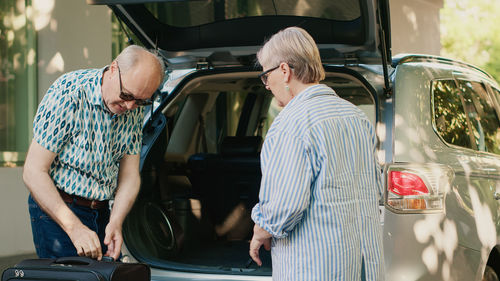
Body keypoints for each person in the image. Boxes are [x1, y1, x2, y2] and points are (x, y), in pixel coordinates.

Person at [249, 27, 384, 280]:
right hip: (362, 263)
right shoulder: (356, 116)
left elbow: (285, 207)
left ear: (285, 70)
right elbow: (374, 187)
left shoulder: (290, 125)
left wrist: (260, 230)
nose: (267, 85)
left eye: (266, 76)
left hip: (314, 267)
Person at [22, 45, 164, 261]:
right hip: (58, 210)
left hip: (102, 211)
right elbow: (33, 171)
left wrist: (116, 220)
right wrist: (74, 228)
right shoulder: (68, 94)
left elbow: (130, 175)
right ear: (114, 68)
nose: (129, 106)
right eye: (126, 95)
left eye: (141, 101)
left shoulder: (132, 106)